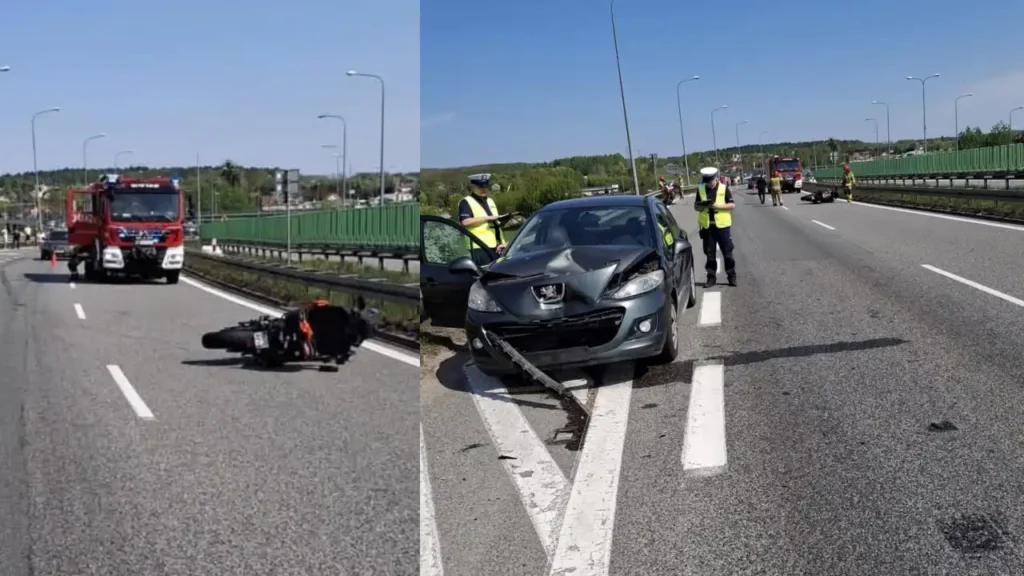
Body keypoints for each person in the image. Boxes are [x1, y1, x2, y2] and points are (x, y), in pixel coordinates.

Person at [693, 167, 737, 287]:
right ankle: (711, 278)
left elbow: (732, 205)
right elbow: (696, 207)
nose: (708, 184)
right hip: (708, 227)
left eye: (710, 182)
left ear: (715, 179)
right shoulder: (701, 189)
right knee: (709, 254)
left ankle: (731, 276)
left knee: (727, 253)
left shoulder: (723, 188)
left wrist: (718, 207)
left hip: (722, 227)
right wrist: (702, 206)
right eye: (706, 182)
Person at [458, 173, 507, 266]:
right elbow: (465, 222)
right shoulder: (465, 202)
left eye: (485, 186)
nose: (484, 189)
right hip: (479, 246)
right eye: (480, 187)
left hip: (498, 245)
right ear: (473, 187)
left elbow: (494, 220)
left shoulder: (490, 200)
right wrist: (487, 218)